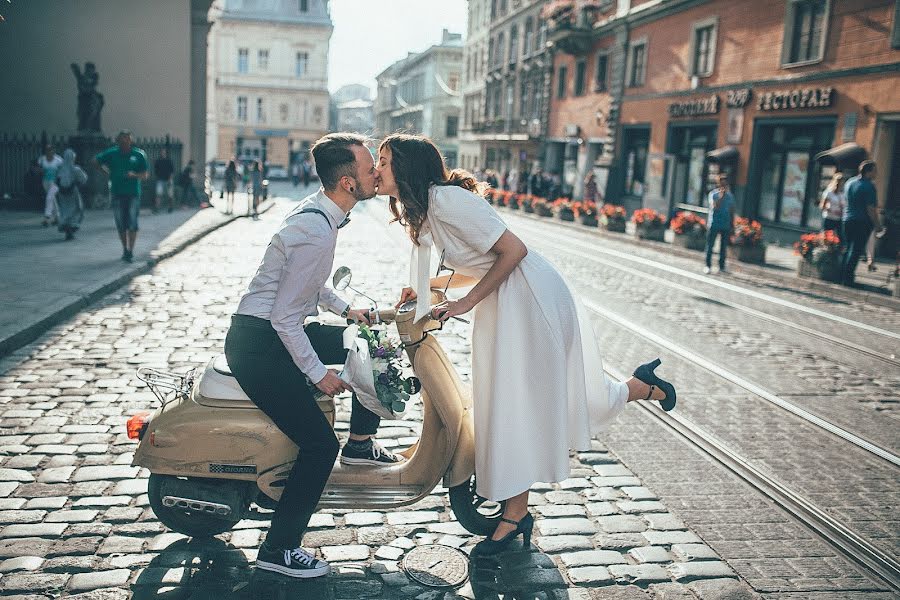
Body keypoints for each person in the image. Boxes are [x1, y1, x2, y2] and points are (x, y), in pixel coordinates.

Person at [380, 134, 676, 556]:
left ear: (407, 167)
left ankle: (516, 515)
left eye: (385, 160)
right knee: (530, 403)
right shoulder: (429, 207)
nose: (378, 168)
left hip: (530, 298)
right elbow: (481, 260)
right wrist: (426, 290)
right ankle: (640, 386)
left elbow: (513, 251)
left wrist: (463, 302)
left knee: (520, 406)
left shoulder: (445, 200)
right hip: (510, 301)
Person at [223, 133, 401, 579]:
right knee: (320, 445)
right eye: (367, 169)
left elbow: (311, 285)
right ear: (347, 181)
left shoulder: (321, 215)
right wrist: (318, 373)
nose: (375, 174)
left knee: (368, 342)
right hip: (260, 345)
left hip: (274, 332)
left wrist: (349, 311)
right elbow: (285, 317)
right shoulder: (316, 229)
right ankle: (278, 550)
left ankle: (361, 444)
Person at [95, 130, 149, 262]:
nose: (125, 142)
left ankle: (131, 250)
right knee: (120, 223)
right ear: (118, 141)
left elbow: (145, 175)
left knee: (132, 222)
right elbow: (96, 161)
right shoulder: (112, 153)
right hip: (117, 192)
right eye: (122, 139)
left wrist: (134, 175)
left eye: (127, 139)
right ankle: (125, 249)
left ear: (131, 141)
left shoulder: (139, 154)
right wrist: (107, 172)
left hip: (133, 194)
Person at [841, 160, 881, 287]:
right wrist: (878, 225)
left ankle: (842, 275)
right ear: (868, 172)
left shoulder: (850, 182)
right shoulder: (869, 186)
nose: (876, 173)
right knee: (856, 250)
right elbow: (871, 209)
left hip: (847, 219)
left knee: (848, 248)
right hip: (862, 221)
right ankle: (848, 279)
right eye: (875, 170)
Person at [704, 174, 735, 274]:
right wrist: (721, 196)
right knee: (710, 246)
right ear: (718, 184)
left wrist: (732, 224)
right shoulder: (713, 194)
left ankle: (721, 267)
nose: (723, 185)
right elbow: (715, 207)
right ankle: (708, 265)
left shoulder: (730, 196)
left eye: (725, 183)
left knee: (723, 247)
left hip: (725, 224)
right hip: (714, 224)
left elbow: (731, 211)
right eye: (722, 183)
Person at [54, 149, 87, 240]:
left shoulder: (60, 168)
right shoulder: (75, 169)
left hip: (62, 193)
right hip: (73, 193)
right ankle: (71, 230)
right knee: (76, 209)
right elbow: (84, 179)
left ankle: (66, 228)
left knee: (64, 210)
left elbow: (56, 180)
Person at [38, 144, 63, 227]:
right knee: (52, 199)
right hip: (45, 181)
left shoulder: (58, 160)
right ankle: (57, 217)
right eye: (48, 150)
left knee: (49, 197)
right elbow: (38, 169)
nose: (49, 151)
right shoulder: (42, 159)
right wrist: (40, 171)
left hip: (55, 182)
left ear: (54, 151)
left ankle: (47, 217)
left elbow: (62, 170)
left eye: (51, 150)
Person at [153, 148, 175, 214]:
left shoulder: (169, 161)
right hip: (160, 179)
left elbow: (172, 171)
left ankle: (171, 207)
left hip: (168, 179)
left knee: (170, 195)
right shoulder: (158, 161)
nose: (163, 153)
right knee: (158, 194)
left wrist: (170, 179)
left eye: (164, 152)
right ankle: (157, 208)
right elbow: (156, 170)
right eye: (162, 152)